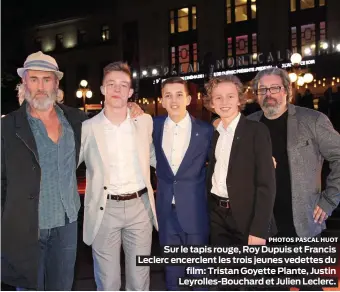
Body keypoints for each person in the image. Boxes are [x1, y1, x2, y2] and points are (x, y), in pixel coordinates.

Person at [1, 51, 87, 290]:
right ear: (25, 83)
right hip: (27, 227)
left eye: (46, 79)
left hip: (67, 225)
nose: (40, 86)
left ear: (56, 83)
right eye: (34, 79)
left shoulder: (77, 119)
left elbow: (109, 126)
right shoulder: (7, 126)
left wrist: (131, 107)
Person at [78, 61, 157, 291]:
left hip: (140, 207)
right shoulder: (88, 128)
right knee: (107, 282)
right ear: (102, 89)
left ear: (130, 92)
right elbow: (68, 163)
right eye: (111, 84)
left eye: (123, 85)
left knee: (139, 280)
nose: (117, 89)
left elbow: (156, 156)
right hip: (105, 210)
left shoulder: (144, 122)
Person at [248, 67, 340, 239]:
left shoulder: (313, 120)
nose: (269, 94)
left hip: (303, 225)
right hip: (261, 229)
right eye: (262, 89)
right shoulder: (248, 125)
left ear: (287, 90)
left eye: (275, 88)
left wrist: (329, 199)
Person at [152, 77, 213, 290]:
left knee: (199, 277)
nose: (174, 100)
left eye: (179, 94)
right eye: (168, 95)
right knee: (172, 276)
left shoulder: (206, 131)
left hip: (196, 213)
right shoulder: (153, 126)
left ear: (188, 99)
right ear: (162, 100)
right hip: (166, 214)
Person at [204, 75, 276, 248]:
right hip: (217, 216)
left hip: (248, 218)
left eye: (230, 96)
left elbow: (266, 185)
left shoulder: (256, 131)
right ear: (212, 103)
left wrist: (259, 230)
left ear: (239, 99)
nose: (224, 102)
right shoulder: (213, 134)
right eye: (218, 97)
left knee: (247, 274)